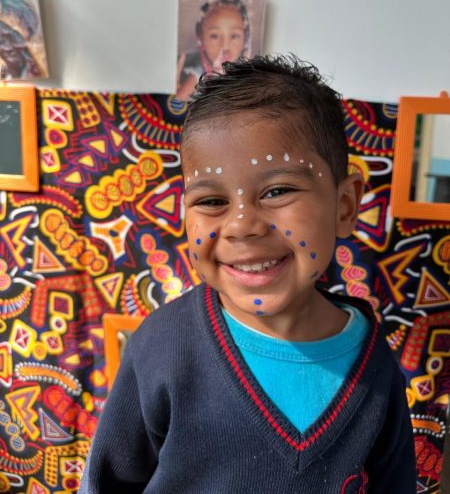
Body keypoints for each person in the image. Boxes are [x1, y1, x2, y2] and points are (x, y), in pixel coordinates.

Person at [79, 55, 416, 493]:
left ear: (345, 206)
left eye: (277, 191)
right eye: (211, 201)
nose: (241, 225)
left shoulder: (375, 370)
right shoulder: (162, 347)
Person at [176, 0, 250, 100]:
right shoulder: (198, 73)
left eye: (234, 36)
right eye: (215, 36)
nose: (225, 46)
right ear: (200, 37)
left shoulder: (244, 71)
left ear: (245, 39)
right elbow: (179, 100)